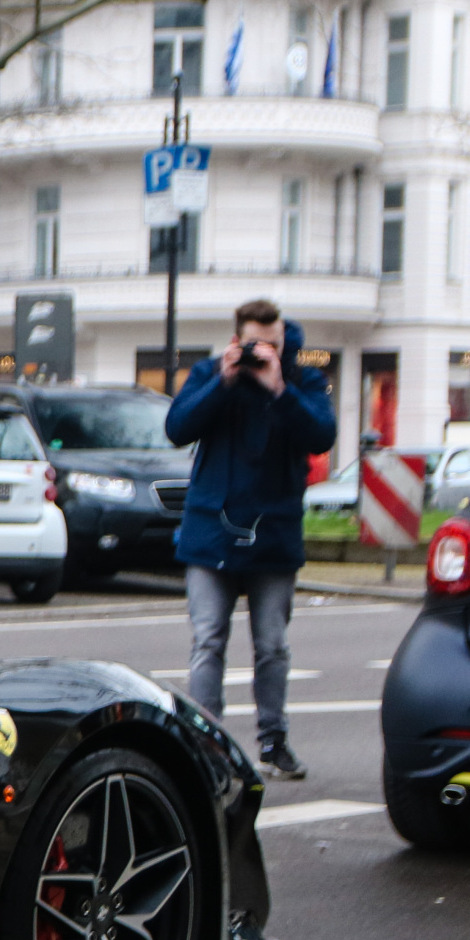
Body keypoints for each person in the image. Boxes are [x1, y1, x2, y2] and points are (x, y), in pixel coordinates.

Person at [164, 298, 339, 780]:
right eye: (255, 343)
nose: (265, 351)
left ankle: (273, 740)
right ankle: (206, 744)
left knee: (272, 646)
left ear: (284, 342)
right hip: (210, 535)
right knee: (208, 641)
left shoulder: (300, 380)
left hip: (274, 538)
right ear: (237, 339)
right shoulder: (210, 373)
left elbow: (322, 434)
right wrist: (222, 382)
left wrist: (278, 388)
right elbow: (177, 428)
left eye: (275, 343)